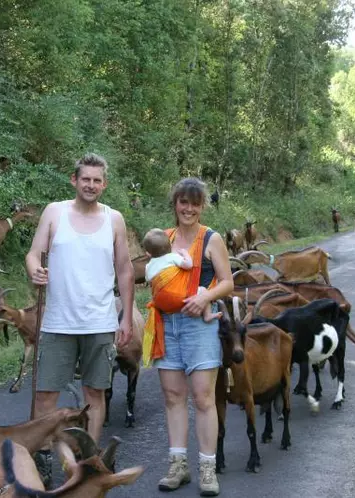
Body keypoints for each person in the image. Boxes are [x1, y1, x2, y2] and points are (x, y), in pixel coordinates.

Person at [25, 153, 134, 488]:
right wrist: (34, 269)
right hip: (57, 322)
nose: (91, 185)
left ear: (105, 184)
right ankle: (41, 458)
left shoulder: (114, 219)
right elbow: (32, 253)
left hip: (99, 322)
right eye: (85, 179)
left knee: (94, 394)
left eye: (97, 180)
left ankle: (89, 459)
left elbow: (125, 269)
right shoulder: (54, 212)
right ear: (74, 180)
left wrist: (126, 316)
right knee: (45, 395)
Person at [145, 177, 233, 497]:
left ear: (202, 206)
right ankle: (177, 466)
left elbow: (227, 282)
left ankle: (207, 469)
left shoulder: (212, 239)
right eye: (184, 202)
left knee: (203, 397)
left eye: (195, 203)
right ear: (175, 204)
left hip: (199, 325)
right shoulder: (163, 238)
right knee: (172, 396)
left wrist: (204, 298)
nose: (189, 209)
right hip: (166, 325)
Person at [142, 228, 222, 324]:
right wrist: (185, 254)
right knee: (203, 290)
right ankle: (207, 315)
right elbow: (188, 265)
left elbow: (149, 280)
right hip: (180, 298)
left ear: (148, 254)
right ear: (170, 246)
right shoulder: (172, 257)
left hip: (160, 303)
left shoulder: (148, 266)